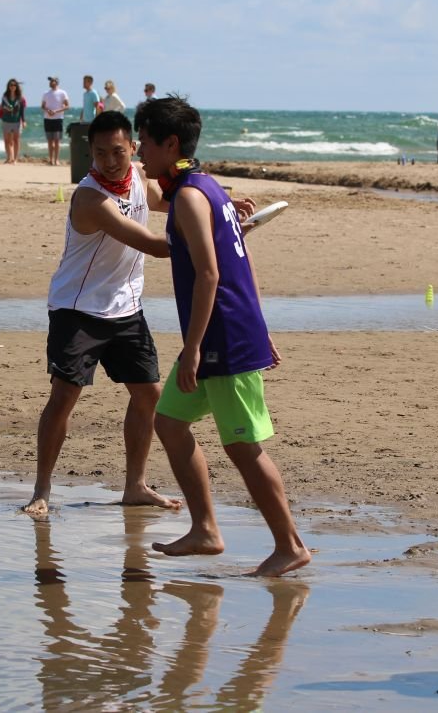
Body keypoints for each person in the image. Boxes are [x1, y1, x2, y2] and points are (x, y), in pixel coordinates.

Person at [135, 96, 311, 577]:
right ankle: (205, 529)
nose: (139, 150)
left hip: (222, 337)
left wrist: (193, 349)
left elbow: (211, 274)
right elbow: (240, 262)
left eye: (145, 140)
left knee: (242, 446)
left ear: (171, 144)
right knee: (170, 422)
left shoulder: (193, 196)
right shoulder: (207, 187)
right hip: (221, 332)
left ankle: (290, 545)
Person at [23, 110, 180, 518]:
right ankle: (41, 490)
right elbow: (153, 245)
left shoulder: (141, 178)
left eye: (117, 152)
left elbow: (171, 202)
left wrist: (225, 209)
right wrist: (213, 236)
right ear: (89, 152)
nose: (109, 161)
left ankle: (135, 486)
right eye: (100, 153)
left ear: (133, 148)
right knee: (64, 397)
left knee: (148, 395)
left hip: (126, 307)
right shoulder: (90, 198)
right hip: (78, 309)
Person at [40, 76, 70, 166]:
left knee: (57, 141)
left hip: (58, 119)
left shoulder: (62, 93)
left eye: (52, 81)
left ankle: (56, 160)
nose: (50, 82)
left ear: (56, 82)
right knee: (50, 141)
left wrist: (56, 111)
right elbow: (42, 106)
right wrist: (48, 110)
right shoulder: (46, 93)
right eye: (50, 81)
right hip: (47, 119)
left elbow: (67, 106)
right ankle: (51, 160)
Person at [0, 78, 27, 164]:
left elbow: (22, 111)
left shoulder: (20, 98)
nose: (12, 86)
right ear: (8, 86)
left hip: (16, 121)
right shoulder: (5, 97)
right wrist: (7, 108)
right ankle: (9, 158)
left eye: (14, 85)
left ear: (16, 86)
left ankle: (15, 159)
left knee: (16, 140)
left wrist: (23, 121)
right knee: (7, 141)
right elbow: (2, 107)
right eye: (11, 85)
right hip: (6, 120)